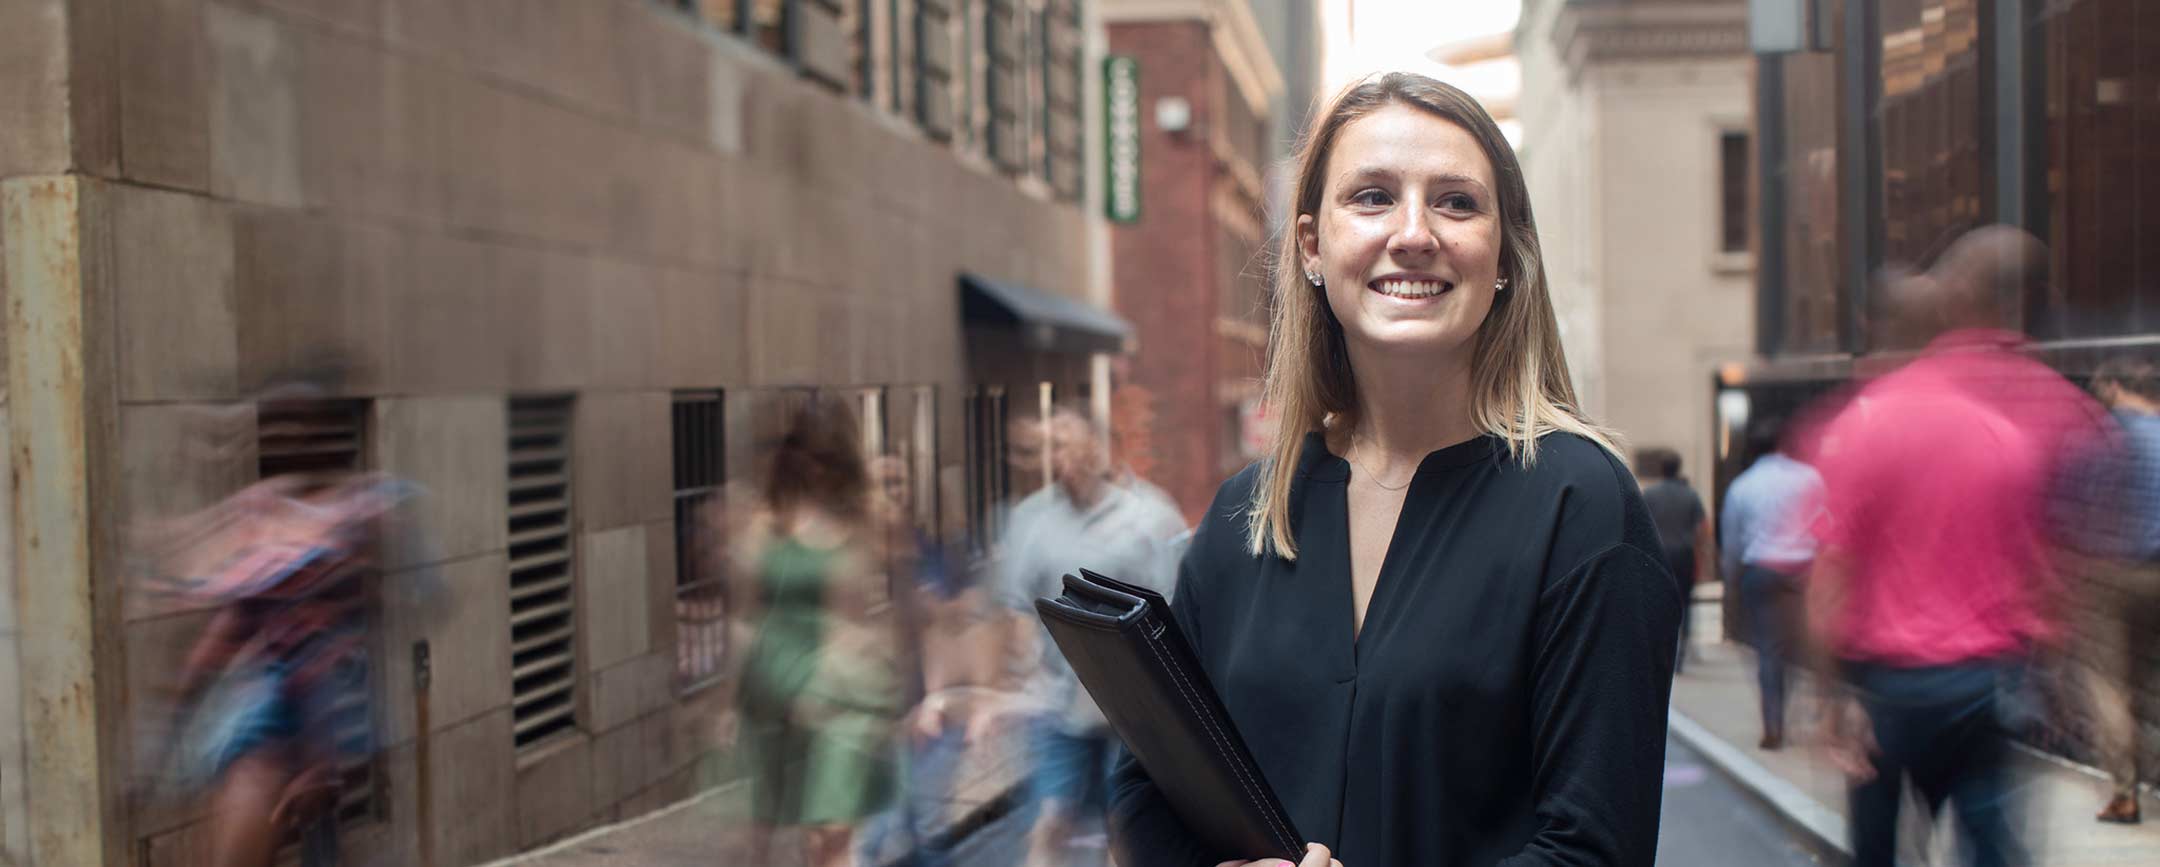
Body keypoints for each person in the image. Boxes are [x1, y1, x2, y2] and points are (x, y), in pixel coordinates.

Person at [1108, 72, 1682, 867]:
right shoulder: (1248, 511)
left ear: (1507, 254)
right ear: (1312, 245)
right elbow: (1145, 786)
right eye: (1372, 196)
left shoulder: (1581, 505)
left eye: (1455, 201)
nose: (1414, 232)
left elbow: (1596, 850)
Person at [1806, 226, 2103, 867]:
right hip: (1986, 683)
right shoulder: (2013, 428)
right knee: (1992, 840)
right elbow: (2049, 570)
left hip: (1889, 685)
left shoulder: (1870, 419)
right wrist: (2056, 673)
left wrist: (1831, 696)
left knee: (1878, 849)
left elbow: (1833, 572)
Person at [989, 407, 1187, 867]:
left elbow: (1176, 614)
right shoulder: (1030, 519)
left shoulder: (1151, 518)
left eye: (1062, 444)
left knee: (1123, 829)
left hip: (1129, 711)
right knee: (1049, 822)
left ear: (1097, 448)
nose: (1053, 457)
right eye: (1046, 448)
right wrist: (1015, 682)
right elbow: (1016, 608)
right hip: (1058, 705)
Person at [730, 394, 902, 867]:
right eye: (807, 455)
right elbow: (746, 612)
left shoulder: (868, 516)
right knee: (784, 835)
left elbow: (867, 612)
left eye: (827, 457)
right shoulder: (767, 520)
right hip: (773, 681)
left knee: (831, 831)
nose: (817, 469)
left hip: (840, 689)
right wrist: (729, 700)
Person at [2055, 357, 2160, 824]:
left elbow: (2065, 507)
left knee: (2109, 685)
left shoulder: (2096, 439)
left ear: (2116, 387)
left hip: (2105, 573)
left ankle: (2125, 793)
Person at [1717, 415, 1822, 750]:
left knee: (1769, 649)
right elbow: (1827, 523)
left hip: (1761, 570)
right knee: (1806, 645)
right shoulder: (1809, 478)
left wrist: (1731, 581)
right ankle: (1812, 712)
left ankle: (1773, 722)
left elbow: (1732, 541)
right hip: (1804, 570)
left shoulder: (1742, 486)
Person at [1635, 447, 1714, 672]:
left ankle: (1663, 648)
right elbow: (1703, 529)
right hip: (1684, 555)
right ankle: (1681, 651)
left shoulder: (1650, 494)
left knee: (1658, 603)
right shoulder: (1690, 495)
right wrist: (1705, 557)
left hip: (1658, 555)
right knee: (1685, 605)